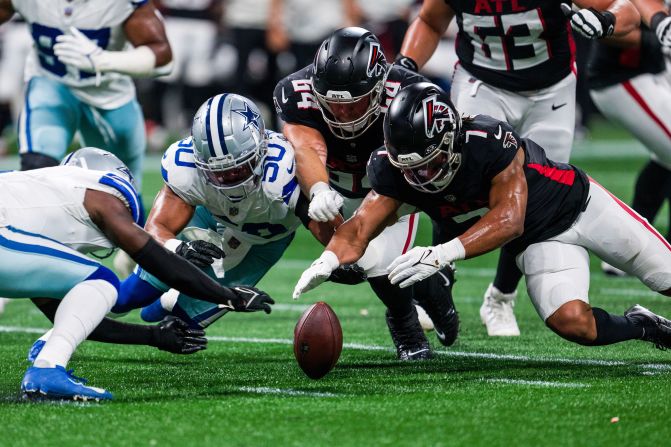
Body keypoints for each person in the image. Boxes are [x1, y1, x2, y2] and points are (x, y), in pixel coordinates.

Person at [293, 82, 671, 353]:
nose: (423, 177)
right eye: (412, 170)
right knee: (573, 323)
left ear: (451, 138)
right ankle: (644, 326)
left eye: (431, 163)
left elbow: (510, 218)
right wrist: (328, 259)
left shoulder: (488, 141)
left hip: (582, 208)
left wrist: (441, 254)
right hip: (538, 243)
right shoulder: (397, 171)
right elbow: (359, 228)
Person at [394, 0, 643, 337]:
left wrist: (605, 21)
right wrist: (407, 65)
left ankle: (500, 297)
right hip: (482, 84)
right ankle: (440, 281)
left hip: (550, 91)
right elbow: (429, 21)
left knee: (534, 196)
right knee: (454, 173)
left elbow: (628, 10)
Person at [0, 147, 273, 401]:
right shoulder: (100, 192)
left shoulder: (35, 204)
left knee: (96, 287)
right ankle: (47, 370)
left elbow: (69, 321)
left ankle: (48, 367)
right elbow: (157, 260)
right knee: (102, 281)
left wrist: (153, 337)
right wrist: (228, 297)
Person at [274, 27, 458, 360]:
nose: (343, 114)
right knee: (349, 267)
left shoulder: (409, 92)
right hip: (334, 185)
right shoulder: (294, 91)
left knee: (380, 262)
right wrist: (317, 190)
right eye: (333, 104)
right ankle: (428, 285)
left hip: (394, 184)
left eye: (353, 103)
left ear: (377, 87)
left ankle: (408, 320)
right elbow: (305, 147)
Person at [113, 93, 332, 328]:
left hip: (263, 242)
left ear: (261, 149)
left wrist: (335, 259)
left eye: (237, 170)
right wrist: (178, 248)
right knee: (132, 296)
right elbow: (157, 227)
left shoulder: (283, 171)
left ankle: (169, 298)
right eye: (218, 172)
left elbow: (327, 228)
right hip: (208, 214)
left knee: (180, 321)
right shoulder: (185, 166)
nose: (228, 180)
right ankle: (94, 296)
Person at [587, 11, 671, 276]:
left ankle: (625, 250)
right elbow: (611, 29)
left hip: (654, 68)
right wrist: (656, 36)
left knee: (665, 157)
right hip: (622, 76)